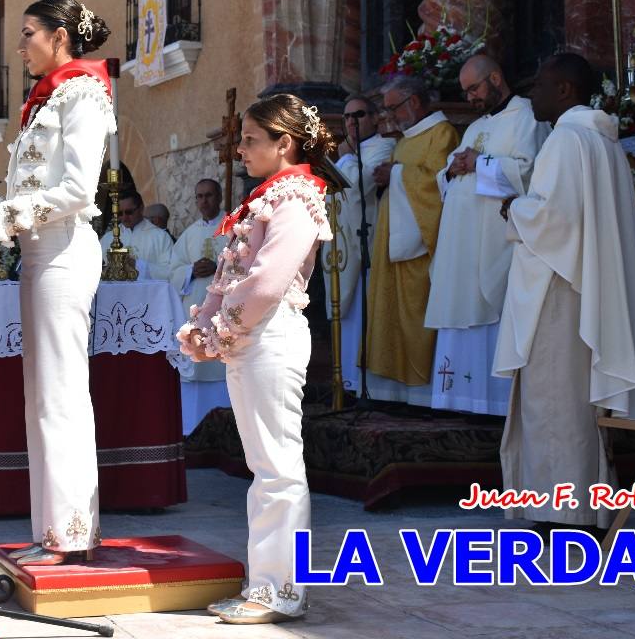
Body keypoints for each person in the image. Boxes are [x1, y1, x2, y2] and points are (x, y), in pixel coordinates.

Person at [494, 53, 635, 529]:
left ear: (566, 90)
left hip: (560, 287)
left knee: (554, 401)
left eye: (542, 85)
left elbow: (555, 219)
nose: (533, 94)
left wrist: (515, 207)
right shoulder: (600, 140)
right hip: (581, 284)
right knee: (570, 401)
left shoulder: (568, 140)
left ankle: (560, 511)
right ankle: (581, 504)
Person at [0, 0, 113, 565]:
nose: (21, 45)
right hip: (38, 253)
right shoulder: (48, 97)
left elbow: (79, 190)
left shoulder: (83, 93)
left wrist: (0, 215)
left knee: (60, 396)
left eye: (28, 33)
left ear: (59, 37)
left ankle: (71, 534)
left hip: (63, 253)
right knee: (42, 398)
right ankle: (54, 530)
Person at [179, 93, 332, 625]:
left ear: (283, 143)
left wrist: (219, 331)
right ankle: (266, 582)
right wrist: (204, 326)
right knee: (264, 466)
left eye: (249, 139)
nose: (239, 149)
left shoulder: (298, 198)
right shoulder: (269, 197)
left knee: (277, 468)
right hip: (252, 338)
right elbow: (231, 276)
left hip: (271, 336)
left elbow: (267, 282)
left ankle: (282, 588)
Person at [425, 56, 550, 415]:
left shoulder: (527, 117)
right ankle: (459, 401)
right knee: (458, 306)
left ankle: (493, 404)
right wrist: (452, 169)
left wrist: (477, 163)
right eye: (465, 92)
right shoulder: (475, 126)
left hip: (493, 240)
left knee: (489, 310)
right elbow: (446, 177)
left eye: (475, 88)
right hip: (460, 245)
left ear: (496, 77)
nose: (470, 99)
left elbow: (530, 174)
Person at [366, 76, 459, 400]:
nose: (389, 115)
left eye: (394, 107)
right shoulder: (406, 140)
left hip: (421, 248)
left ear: (415, 102)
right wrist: (388, 176)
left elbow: (438, 187)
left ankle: (422, 393)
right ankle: (394, 394)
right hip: (393, 241)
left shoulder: (442, 133)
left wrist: (395, 174)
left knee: (418, 317)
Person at [325, 95, 397, 401]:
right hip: (339, 248)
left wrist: (345, 155)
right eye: (347, 118)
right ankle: (346, 383)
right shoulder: (345, 155)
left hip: (366, 244)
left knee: (365, 311)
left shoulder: (383, 146)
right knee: (348, 313)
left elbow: (356, 184)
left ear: (376, 118)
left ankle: (366, 385)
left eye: (359, 115)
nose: (352, 122)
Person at [167, 179, 231, 433]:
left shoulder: (232, 227)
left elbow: (247, 263)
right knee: (196, 371)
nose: (204, 201)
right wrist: (190, 270)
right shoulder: (188, 235)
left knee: (224, 371)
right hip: (196, 312)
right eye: (200, 196)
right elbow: (173, 271)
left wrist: (219, 269)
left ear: (219, 197)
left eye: (209, 195)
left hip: (224, 312)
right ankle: (192, 432)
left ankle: (227, 431)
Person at [99, 191, 174, 279]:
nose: (124, 218)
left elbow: (170, 272)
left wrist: (138, 265)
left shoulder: (161, 237)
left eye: (129, 212)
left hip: (148, 291)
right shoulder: (108, 238)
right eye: (119, 213)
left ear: (141, 208)